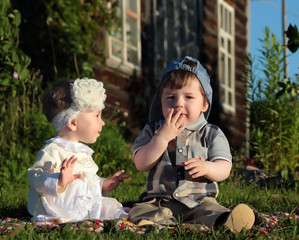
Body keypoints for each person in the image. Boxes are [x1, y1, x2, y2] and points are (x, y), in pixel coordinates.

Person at [129, 56, 255, 232]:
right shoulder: (153, 130)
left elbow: (224, 167)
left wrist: (207, 168)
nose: (179, 104)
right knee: (140, 210)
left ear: (204, 103)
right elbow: (141, 163)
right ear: (161, 101)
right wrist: (161, 138)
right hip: (159, 201)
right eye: (171, 97)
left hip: (198, 201)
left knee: (210, 210)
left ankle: (225, 221)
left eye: (188, 97)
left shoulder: (211, 133)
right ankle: (154, 224)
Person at [27, 77, 130, 224]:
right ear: (73, 122)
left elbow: (87, 180)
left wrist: (103, 183)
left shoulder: (83, 152)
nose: (102, 122)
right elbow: (35, 178)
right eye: (97, 116)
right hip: (61, 208)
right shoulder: (52, 150)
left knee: (111, 207)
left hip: (83, 206)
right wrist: (58, 180)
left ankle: (131, 216)